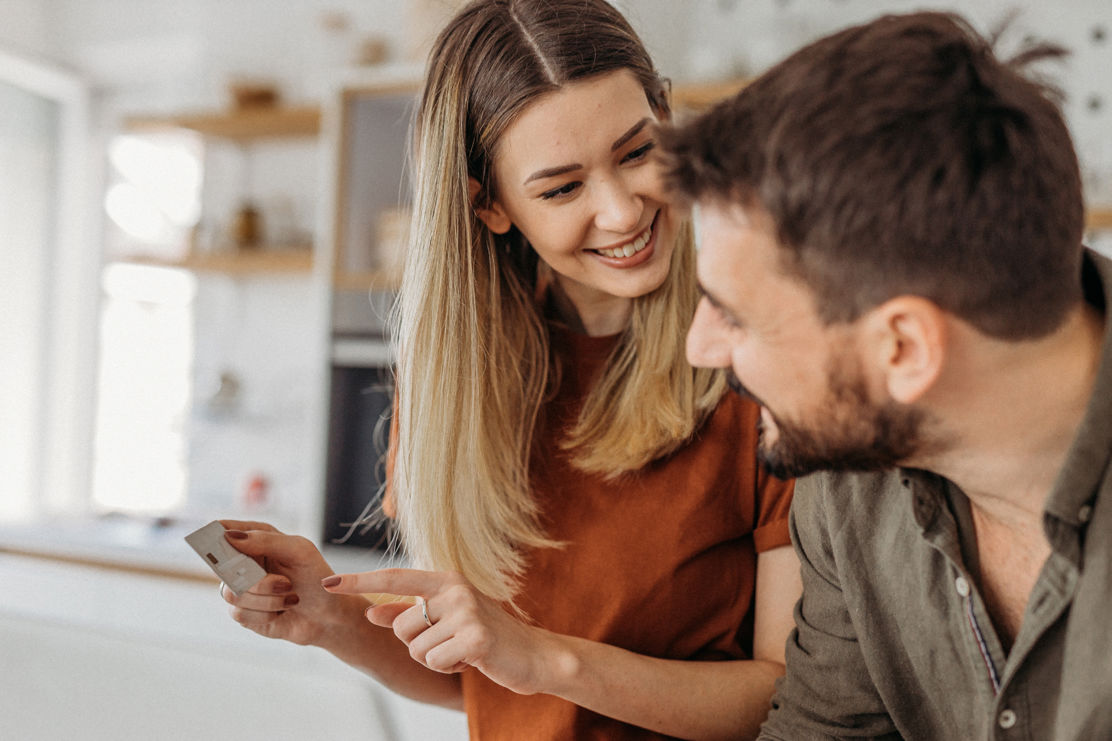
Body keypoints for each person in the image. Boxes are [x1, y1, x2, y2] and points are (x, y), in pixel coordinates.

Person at [217, 1, 800, 738]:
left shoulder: (764, 360)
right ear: (487, 205)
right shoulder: (452, 391)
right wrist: (331, 616)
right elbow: (480, 682)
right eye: (562, 188)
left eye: (636, 152)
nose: (621, 212)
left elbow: (789, 698)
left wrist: (544, 659)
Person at [664, 9, 1111, 741]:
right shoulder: (850, 472)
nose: (699, 347)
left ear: (903, 348)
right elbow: (823, 728)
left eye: (734, 312)